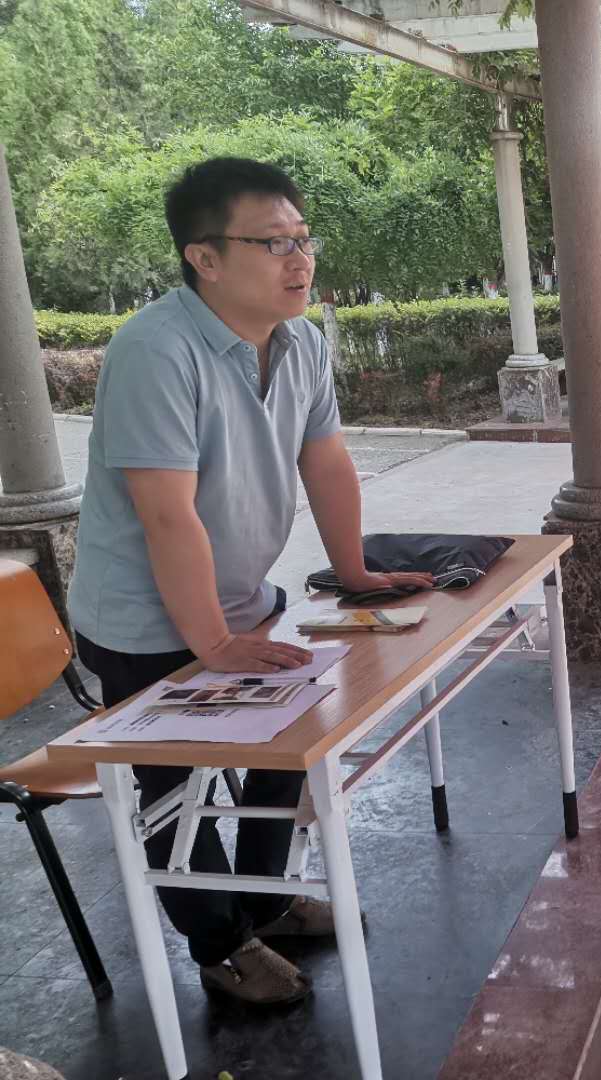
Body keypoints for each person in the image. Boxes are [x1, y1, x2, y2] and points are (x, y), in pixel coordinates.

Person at [68, 157, 433, 1005]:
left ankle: (265, 901)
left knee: (290, 739)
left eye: (304, 239)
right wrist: (214, 643)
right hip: (143, 622)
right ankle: (220, 946)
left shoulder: (302, 342)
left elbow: (326, 461)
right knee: (178, 791)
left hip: (241, 603)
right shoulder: (155, 350)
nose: (299, 259)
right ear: (204, 257)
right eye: (273, 243)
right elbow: (167, 516)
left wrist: (354, 571)